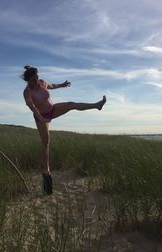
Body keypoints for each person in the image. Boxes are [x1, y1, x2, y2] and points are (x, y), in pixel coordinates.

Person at [22, 65, 106, 195]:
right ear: (28, 81)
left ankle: (97, 105)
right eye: (34, 79)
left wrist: (62, 85)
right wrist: (41, 119)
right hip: (41, 117)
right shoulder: (27, 92)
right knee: (46, 144)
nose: (37, 80)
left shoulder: (42, 83)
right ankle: (46, 171)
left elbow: (52, 85)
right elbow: (32, 107)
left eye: (37, 77)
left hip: (52, 110)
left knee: (71, 104)